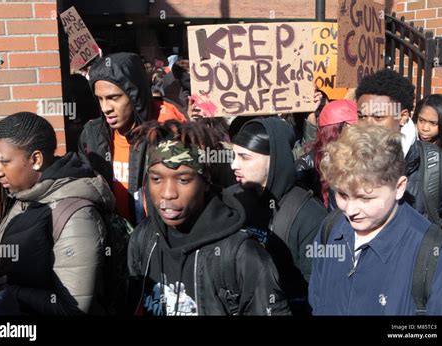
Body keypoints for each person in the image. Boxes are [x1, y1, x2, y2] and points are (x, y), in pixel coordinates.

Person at [127, 120, 290, 316]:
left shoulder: (242, 255)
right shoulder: (143, 238)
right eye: (156, 179)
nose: (168, 193)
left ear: (205, 182)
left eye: (183, 180)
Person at [309, 124, 442, 315]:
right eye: (343, 195)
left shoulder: (439, 260)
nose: (350, 211)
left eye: (365, 198)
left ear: (400, 187)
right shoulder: (330, 228)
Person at [0, 112, 114, 315]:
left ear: (36, 159)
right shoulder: (25, 195)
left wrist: (8, 290)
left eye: (5, 162)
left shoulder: (76, 217)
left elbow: (72, 309)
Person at [229, 117, 327, 314]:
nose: (233, 165)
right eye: (233, 156)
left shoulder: (309, 216)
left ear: (274, 159)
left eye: (244, 157)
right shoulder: (229, 200)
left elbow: (318, 291)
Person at [355, 69, 442, 232]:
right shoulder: (344, 163)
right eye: (361, 116)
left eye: (378, 117)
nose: (367, 126)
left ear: (402, 116)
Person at [78, 52, 151, 226]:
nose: (105, 108)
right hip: (114, 241)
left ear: (135, 95)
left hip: (155, 242)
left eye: (113, 98)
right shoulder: (91, 135)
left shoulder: (164, 133)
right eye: (100, 99)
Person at [295, 100, 358, 208]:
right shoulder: (305, 167)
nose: (361, 131)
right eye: (355, 126)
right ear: (341, 128)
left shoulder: (363, 160)